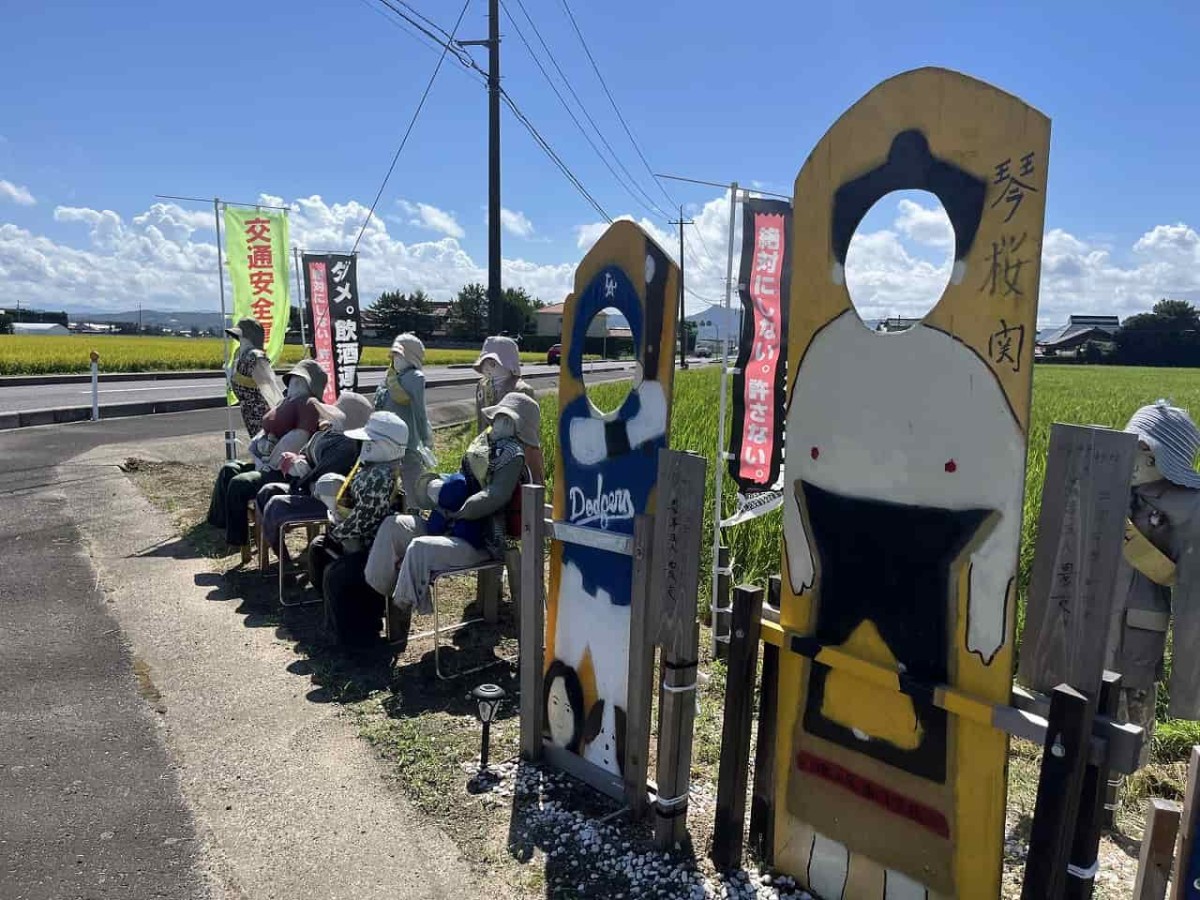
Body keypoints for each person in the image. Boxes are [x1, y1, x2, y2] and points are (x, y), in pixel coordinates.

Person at [364, 392, 540, 649]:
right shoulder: (484, 442)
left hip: (479, 538)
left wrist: (458, 510)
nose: (499, 420)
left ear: (515, 423)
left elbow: (495, 496)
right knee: (393, 526)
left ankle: (401, 606)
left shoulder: (512, 455)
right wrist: (440, 492)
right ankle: (376, 597)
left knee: (420, 548)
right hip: (449, 522)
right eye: (499, 415)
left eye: (505, 417)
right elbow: (461, 480)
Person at [1108, 400, 1200, 762]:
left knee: (1126, 741)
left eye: (1143, 449)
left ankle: (1109, 810)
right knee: (1080, 726)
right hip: (1093, 627)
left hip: (1139, 637)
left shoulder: (1190, 510)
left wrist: (1188, 690)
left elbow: (1194, 607)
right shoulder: (1110, 488)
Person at [306, 412, 407, 643]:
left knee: (337, 574)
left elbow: (365, 519)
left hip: (374, 549)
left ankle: (354, 636)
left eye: (370, 441)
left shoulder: (382, 475)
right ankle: (336, 618)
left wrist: (337, 531)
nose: (363, 444)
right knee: (318, 550)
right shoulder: (369, 467)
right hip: (357, 540)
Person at [207, 359, 326, 548]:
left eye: (299, 381)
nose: (293, 384)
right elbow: (264, 431)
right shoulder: (286, 401)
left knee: (240, 484)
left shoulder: (309, 405)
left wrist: (269, 462)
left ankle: (238, 540)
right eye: (293, 380)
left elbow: (297, 439)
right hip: (265, 457)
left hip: (282, 469)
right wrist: (257, 452)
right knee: (228, 470)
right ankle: (219, 524)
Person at [255, 391, 372, 563]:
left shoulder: (346, 444)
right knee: (267, 491)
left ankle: (284, 564)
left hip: (323, 497)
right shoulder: (330, 431)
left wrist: (298, 468)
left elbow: (322, 472)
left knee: (275, 503)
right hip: (307, 484)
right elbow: (306, 452)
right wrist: (297, 460)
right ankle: (280, 556)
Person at [374, 333, 435, 509]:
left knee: (412, 482)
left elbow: (419, 411)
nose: (396, 359)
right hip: (384, 441)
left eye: (400, 355)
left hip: (407, 442)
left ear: (412, 357)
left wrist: (425, 437)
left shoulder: (415, 378)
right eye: (394, 355)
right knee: (384, 483)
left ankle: (415, 516)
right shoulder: (390, 377)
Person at [474, 335, 544, 483]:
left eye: (493, 364)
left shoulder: (521, 389)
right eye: (484, 364)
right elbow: (480, 420)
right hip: (488, 446)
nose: (487, 369)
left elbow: (528, 429)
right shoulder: (482, 386)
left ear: (509, 364)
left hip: (516, 451)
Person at [225, 317, 282, 438]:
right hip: (248, 413)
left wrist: (282, 411)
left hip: (263, 413)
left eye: (242, 336)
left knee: (267, 445)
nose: (240, 339)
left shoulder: (255, 357)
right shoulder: (239, 354)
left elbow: (270, 388)